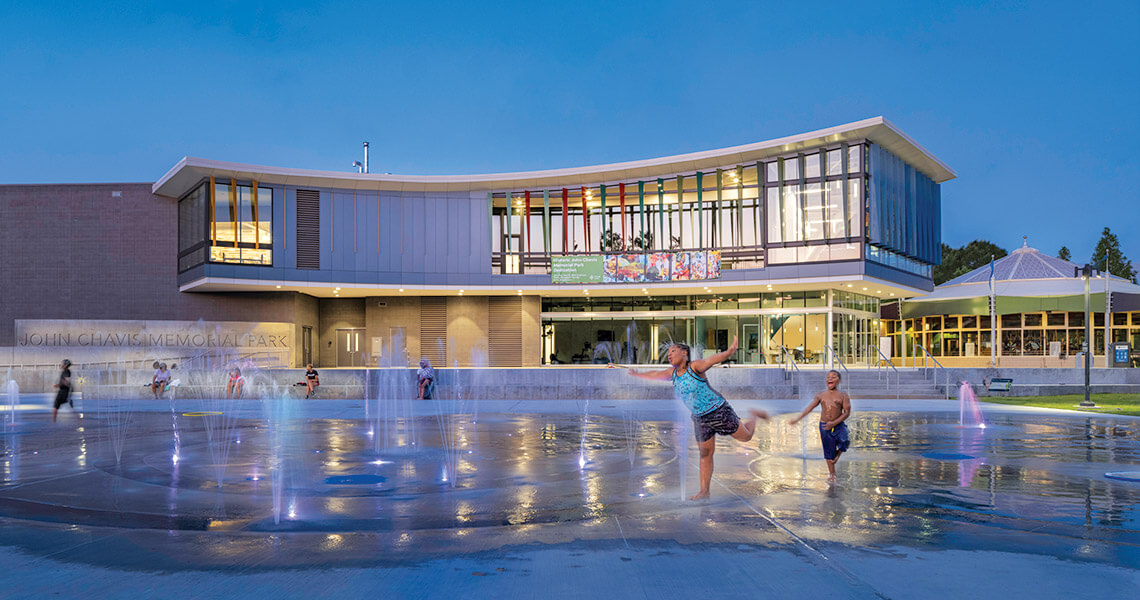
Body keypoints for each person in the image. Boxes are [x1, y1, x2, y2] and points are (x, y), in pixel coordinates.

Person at [626, 336, 769, 500]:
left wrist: (729, 352)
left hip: (719, 411)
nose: (669, 355)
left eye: (673, 351)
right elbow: (655, 374)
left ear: (684, 353)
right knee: (705, 453)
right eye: (668, 352)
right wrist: (638, 375)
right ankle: (704, 491)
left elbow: (712, 360)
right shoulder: (672, 373)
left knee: (746, 437)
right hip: (700, 419)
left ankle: (754, 416)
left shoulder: (694, 367)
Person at [790, 370, 851, 482]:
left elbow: (847, 412)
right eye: (828, 377)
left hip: (838, 424)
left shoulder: (843, 395)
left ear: (839, 380)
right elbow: (809, 408)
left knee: (845, 440)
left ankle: (836, 457)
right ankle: (832, 474)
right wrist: (798, 419)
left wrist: (834, 423)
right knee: (828, 450)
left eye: (833, 377)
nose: (830, 379)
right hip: (824, 425)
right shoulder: (821, 395)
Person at [52, 359, 73, 423]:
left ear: (65, 365)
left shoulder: (66, 372)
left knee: (55, 406)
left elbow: (67, 382)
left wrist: (60, 383)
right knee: (56, 406)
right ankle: (53, 421)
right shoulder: (65, 371)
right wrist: (58, 385)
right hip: (63, 391)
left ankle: (53, 422)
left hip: (63, 392)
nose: (61, 364)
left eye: (62, 363)